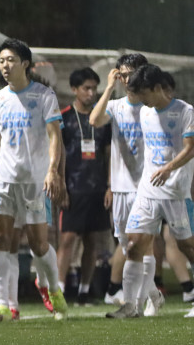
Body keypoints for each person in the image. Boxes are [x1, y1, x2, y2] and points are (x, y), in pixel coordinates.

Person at [0, 38, 68, 322]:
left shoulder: (43, 96)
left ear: (25, 64)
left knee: (38, 244)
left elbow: (55, 136)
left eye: (11, 60)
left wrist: (53, 171)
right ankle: (5, 305)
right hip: (4, 180)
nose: (5, 66)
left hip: (34, 181)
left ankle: (53, 288)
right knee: (0, 239)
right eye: (2, 61)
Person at [107, 64, 194, 318]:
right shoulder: (145, 112)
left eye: (144, 93)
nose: (141, 99)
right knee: (133, 244)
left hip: (176, 192)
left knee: (187, 246)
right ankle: (130, 305)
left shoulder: (185, 111)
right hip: (148, 190)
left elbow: (190, 148)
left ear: (157, 88)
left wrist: (168, 168)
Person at [88, 54, 148, 308]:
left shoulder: (151, 107)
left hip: (147, 187)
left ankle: (137, 300)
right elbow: (94, 120)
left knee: (141, 243)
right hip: (122, 187)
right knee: (125, 245)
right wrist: (109, 87)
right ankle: (149, 294)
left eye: (129, 74)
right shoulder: (116, 106)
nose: (125, 79)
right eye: (122, 75)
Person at [57, 67, 112, 305]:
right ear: (74, 89)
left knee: (92, 241)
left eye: (94, 88)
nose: (91, 93)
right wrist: (60, 185)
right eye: (86, 88)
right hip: (73, 187)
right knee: (68, 239)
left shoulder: (103, 118)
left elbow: (108, 153)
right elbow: (57, 154)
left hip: (97, 187)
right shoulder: (64, 117)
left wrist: (109, 185)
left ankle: (84, 291)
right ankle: (58, 292)